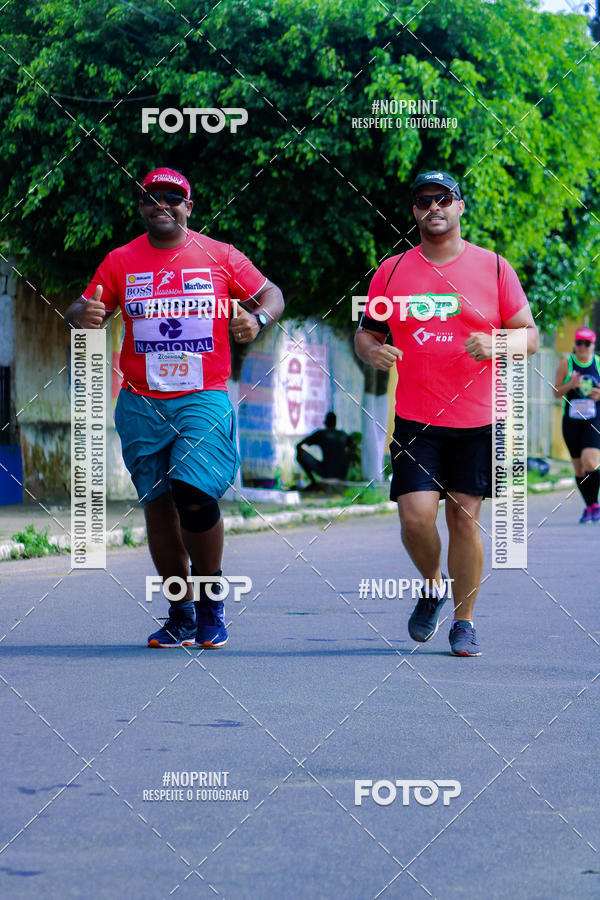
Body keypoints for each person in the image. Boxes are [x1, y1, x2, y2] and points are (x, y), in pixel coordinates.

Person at [65, 167, 284, 648]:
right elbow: (80, 310)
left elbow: (272, 294)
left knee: (194, 492)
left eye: (172, 197)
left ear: (189, 206)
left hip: (202, 396)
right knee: (158, 506)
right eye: (151, 197)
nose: (160, 204)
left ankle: (211, 602)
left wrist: (258, 317)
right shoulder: (120, 260)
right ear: (141, 206)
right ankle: (180, 613)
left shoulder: (220, 256)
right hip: (141, 402)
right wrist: (84, 314)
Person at [354, 170, 538, 657]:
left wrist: (497, 341)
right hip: (418, 419)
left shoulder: (495, 268)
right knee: (415, 518)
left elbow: (530, 337)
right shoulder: (392, 271)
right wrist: (372, 351)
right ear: (413, 211)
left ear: (459, 207)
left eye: (443, 198)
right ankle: (432, 584)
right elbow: (368, 333)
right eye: (422, 200)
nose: (432, 207)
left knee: (463, 519)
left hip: (478, 419)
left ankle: (465, 621)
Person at [553, 326, 600, 523]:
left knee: (591, 462)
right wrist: (570, 385)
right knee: (579, 469)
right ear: (575, 345)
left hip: (594, 420)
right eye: (579, 343)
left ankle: (595, 506)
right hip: (572, 422)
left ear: (592, 345)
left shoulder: (597, 363)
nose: (582, 347)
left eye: (586, 344)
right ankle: (590, 506)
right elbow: (556, 392)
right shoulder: (567, 363)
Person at [295, 411, 352, 486]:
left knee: (300, 454)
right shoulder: (343, 434)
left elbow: (299, 445)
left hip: (326, 471)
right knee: (350, 452)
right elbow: (352, 448)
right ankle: (343, 476)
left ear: (326, 422)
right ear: (335, 423)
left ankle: (313, 482)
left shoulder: (321, 434)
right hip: (342, 472)